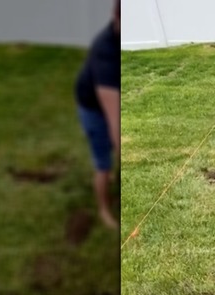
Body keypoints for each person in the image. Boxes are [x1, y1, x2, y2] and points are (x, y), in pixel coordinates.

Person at [75, 0, 121, 229]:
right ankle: (104, 209)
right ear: (116, 17)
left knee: (114, 150)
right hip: (94, 111)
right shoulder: (107, 54)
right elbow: (114, 120)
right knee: (103, 164)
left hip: (106, 104)